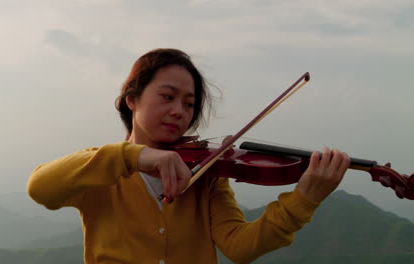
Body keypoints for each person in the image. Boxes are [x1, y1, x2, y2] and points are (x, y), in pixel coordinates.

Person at [27, 48, 351, 264]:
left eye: (189, 103)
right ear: (132, 99)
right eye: (167, 97)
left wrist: (305, 199)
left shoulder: (206, 174)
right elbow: (40, 188)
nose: (178, 111)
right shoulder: (101, 167)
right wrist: (134, 157)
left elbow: (239, 246)